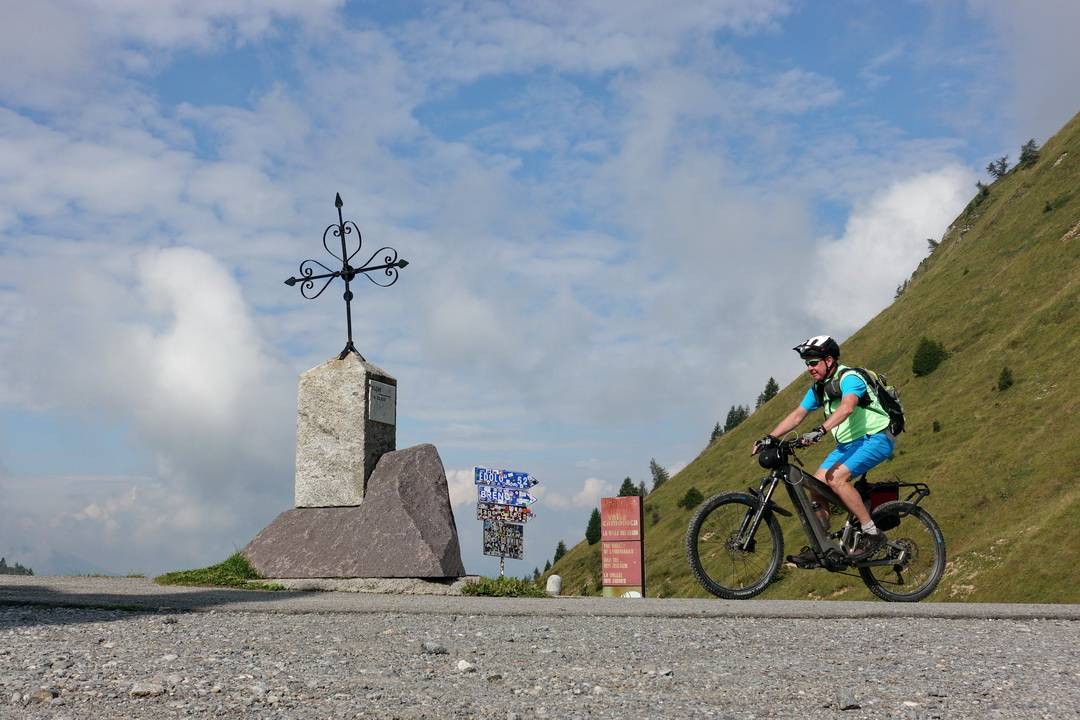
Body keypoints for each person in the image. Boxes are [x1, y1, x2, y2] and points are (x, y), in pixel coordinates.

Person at [753, 335, 894, 564]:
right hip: (848, 445)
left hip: (875, 438)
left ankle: (872, 533)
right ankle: (823, 546)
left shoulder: (850, 378)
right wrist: (769, 438)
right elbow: (798, 414)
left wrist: (821, 430)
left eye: (813, 362)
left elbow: (848, 407)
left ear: (829, 360)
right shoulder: (819, 388)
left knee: (837, 479)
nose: (809, 368)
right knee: (815, 484)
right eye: (806, 363)